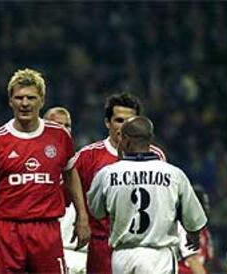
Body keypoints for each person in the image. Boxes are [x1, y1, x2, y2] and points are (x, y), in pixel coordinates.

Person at [0, 68, 91, 273]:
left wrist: (82, 217)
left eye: (31, 98)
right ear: (10, 101)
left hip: (47, 229)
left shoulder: (59, 136)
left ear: (41, 100)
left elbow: (71, 174)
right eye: (19, 97)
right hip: (8, 231)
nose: (25, 103)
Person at [87, 116, 207, 274]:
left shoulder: (107, 173)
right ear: (151, 139)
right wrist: (194, 236)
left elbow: (96, 212)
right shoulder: (174, 174)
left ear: (125, 139)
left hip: (123, 256)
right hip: (158, 256)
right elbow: (194, 220)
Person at [67, 92, 166, 274]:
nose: (125, 127)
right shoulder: (88, 156)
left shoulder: (156, 156)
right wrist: (81, 217)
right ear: (107, 122)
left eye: (130, 121)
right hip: (102, 244)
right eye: (119, 120)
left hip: (142, 245)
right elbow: (66, 187)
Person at [44, 106, 87, 274]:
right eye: (57, 124)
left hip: (80, 251)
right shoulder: (32, 163)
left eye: (67, 125)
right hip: (47, 248)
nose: (63, 130)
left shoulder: (82, 163)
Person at [177, 184, 214, 274]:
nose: (206, 208)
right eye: (203, 204)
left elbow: (207, 261)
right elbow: (192, 260)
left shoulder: (205, 232)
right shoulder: (181, 227)